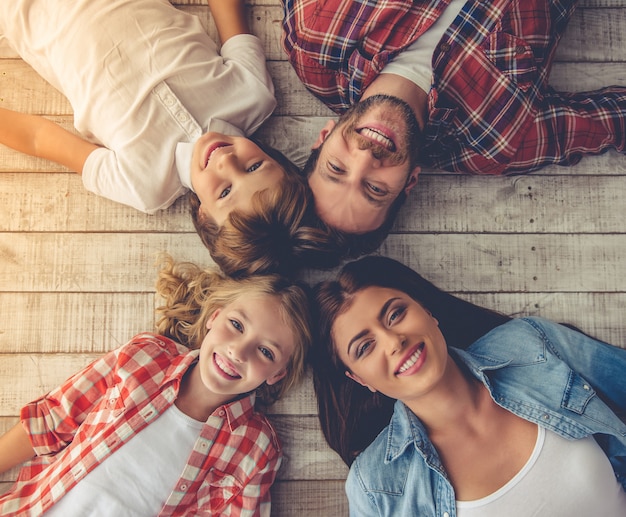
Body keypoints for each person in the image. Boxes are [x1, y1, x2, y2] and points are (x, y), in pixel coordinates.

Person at [0, 0, 321, 277]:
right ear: (275, 158)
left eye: (225, 191)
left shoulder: (143, 184)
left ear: (204, 216)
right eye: (253, 167)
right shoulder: (252, 93)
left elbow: (39, 137)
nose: (226, 161)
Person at [282, 0, 626, 255]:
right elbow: (614, 119)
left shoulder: (314, 41)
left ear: (323, 138)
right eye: (374, 189)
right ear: (409, 183)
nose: (365, 159)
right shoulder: (498, 142)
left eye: (336, 168)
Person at [312, 255, 626, 516]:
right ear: (359, 379)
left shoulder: (532, 346)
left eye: (396, 314)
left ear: (426, 311)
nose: (394, 342)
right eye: (365, 347)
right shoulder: (375, 485)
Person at [0, 254, 312, 516]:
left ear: (277, 374)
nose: (238, 351)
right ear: (213, 319)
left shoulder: (256, 449)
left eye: (266, 351)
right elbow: (51, 420)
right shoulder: (145, 357)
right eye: (236, 325)